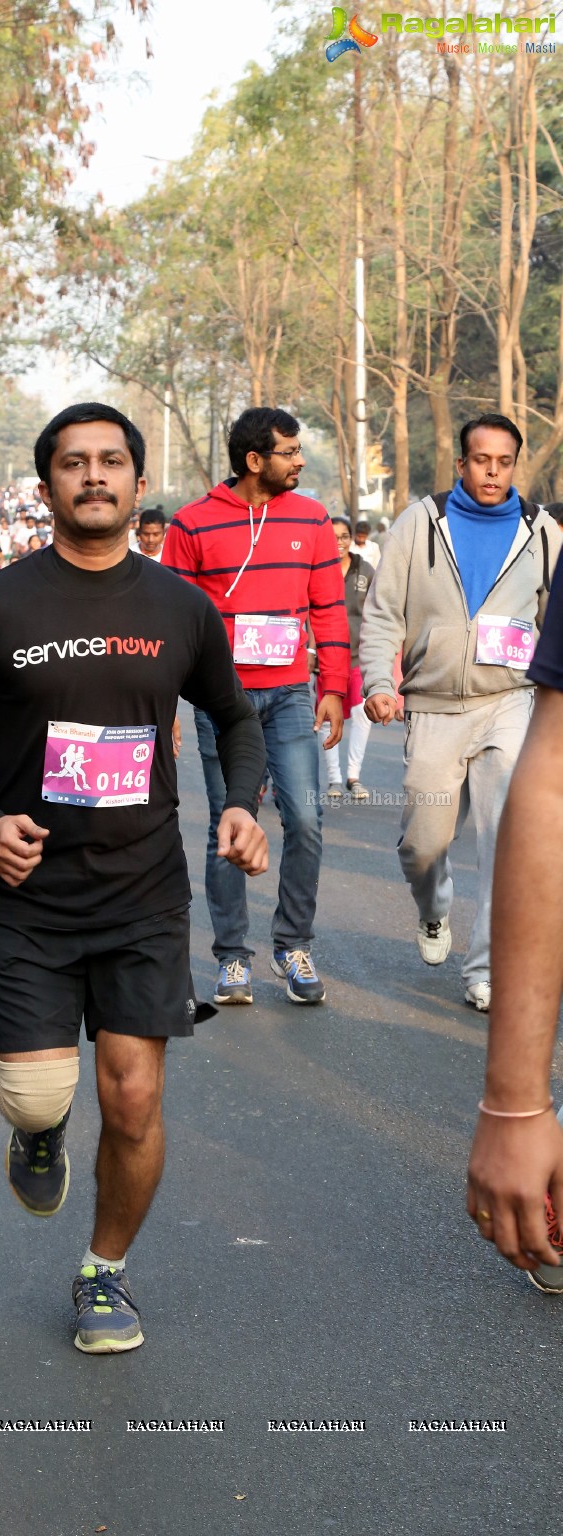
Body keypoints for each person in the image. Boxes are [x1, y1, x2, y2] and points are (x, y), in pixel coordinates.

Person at [0, 402, 267, 1354]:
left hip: (143, 893)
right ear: (47, 486)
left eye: (112, 462)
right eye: (75, 463)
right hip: (25, 896)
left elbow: (236, 718)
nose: (94, 476)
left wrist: (240, 803)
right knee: (36, 1095)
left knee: (136, 1098)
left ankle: (102, 1275)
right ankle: (37, 1129)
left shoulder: (180, 608)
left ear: (140, 486)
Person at [360, 413, 560, 1011]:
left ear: (514, 465)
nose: (492, 472)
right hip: (433, 707)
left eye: (503, 462)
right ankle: (433, 906)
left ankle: (485, 970)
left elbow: (556, 625)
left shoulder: (544, 533)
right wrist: (377, 681)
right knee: (423, 842)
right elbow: (381, 614)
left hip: (510, 702)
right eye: (481, 461)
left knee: (509, 843)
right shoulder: (419, 525)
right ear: (461, 463)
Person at [163, 406, 349, 1007]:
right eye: (289, 452)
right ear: (254, 460)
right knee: (229, 822)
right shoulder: (191, 525)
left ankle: (293, 945)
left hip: (294, 692)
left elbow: (328, 609)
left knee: (306, 821)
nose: (300, 462)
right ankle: (232, 958)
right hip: (223, 700)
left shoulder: (314, 518)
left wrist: (334, 688)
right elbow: (174, 628)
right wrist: (167, 704)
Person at [466, 554, 563, 1291]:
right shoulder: (419, 530)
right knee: (427, 837)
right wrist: (516, 1100)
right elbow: (555, 779)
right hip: (446, 706)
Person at [319, 516, 374, 799]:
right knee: (327, 717)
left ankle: (353, 775)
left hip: (358, 656)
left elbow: (378, 612)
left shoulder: (365, 570)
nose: (338, 542)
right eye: (333, 536)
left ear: (351, 539)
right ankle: (334, 779)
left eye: (343, 536)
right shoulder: (317, 568)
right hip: (327, 658)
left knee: (362, 713)